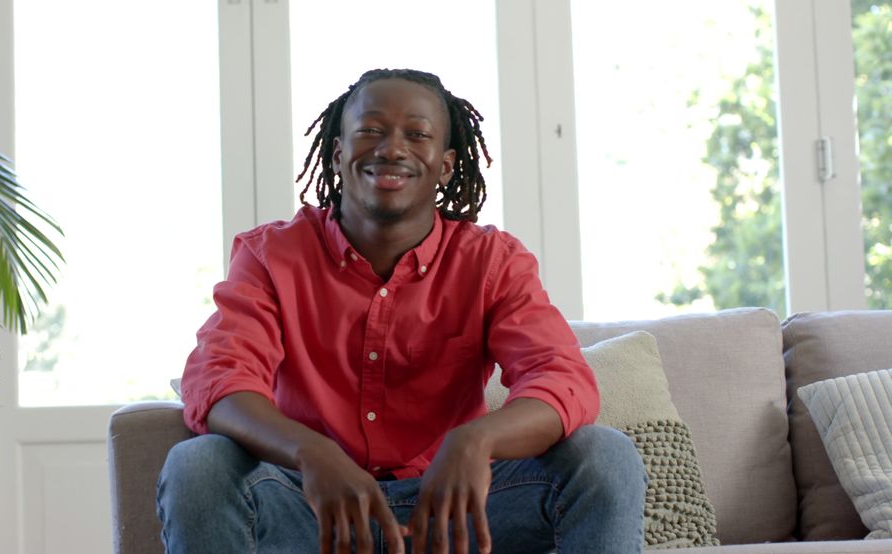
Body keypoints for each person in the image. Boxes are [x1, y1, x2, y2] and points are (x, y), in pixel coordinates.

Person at [157, 68, 646, 554]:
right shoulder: (271, 255)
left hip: (458, 510)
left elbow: (561, 376)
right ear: (338, 152)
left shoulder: (492, 262)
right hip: (311, 504)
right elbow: (220, 380)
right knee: (197, 464)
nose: (391, 148)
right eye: (370, 131)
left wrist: (475, 442)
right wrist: (311, 453)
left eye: (417, 134)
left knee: (605, 456)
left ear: (447, 165)